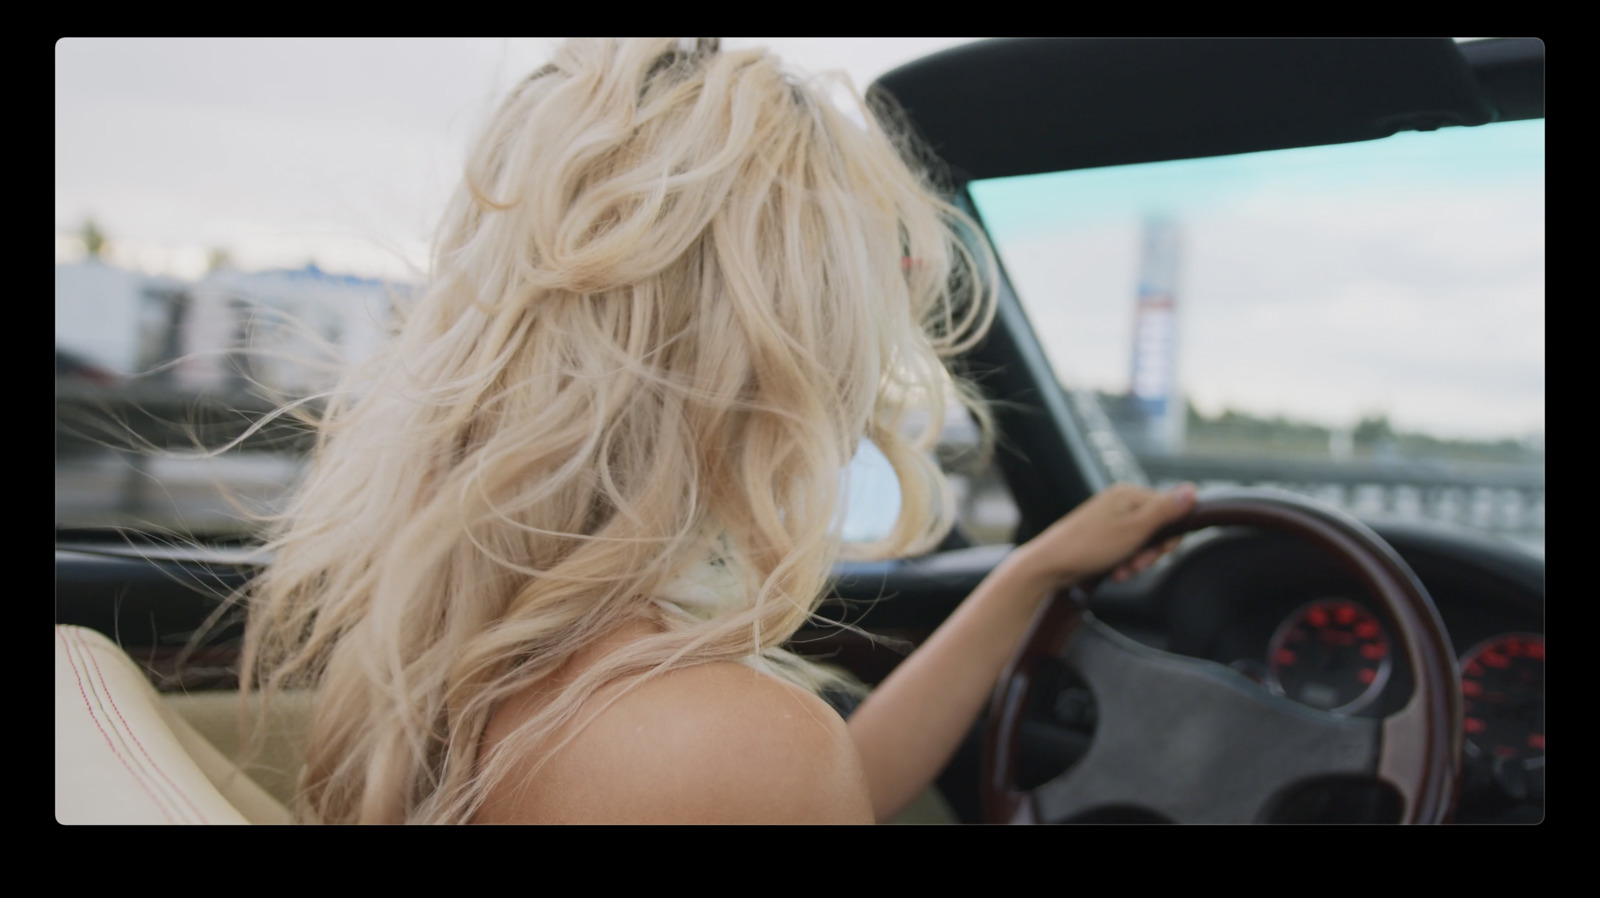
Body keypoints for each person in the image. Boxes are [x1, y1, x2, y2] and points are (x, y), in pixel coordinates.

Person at [240, 37, 1195, 824]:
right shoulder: (724, 740)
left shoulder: (434, 651)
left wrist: (1028, 575)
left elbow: (812, 778)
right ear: (780, 367)